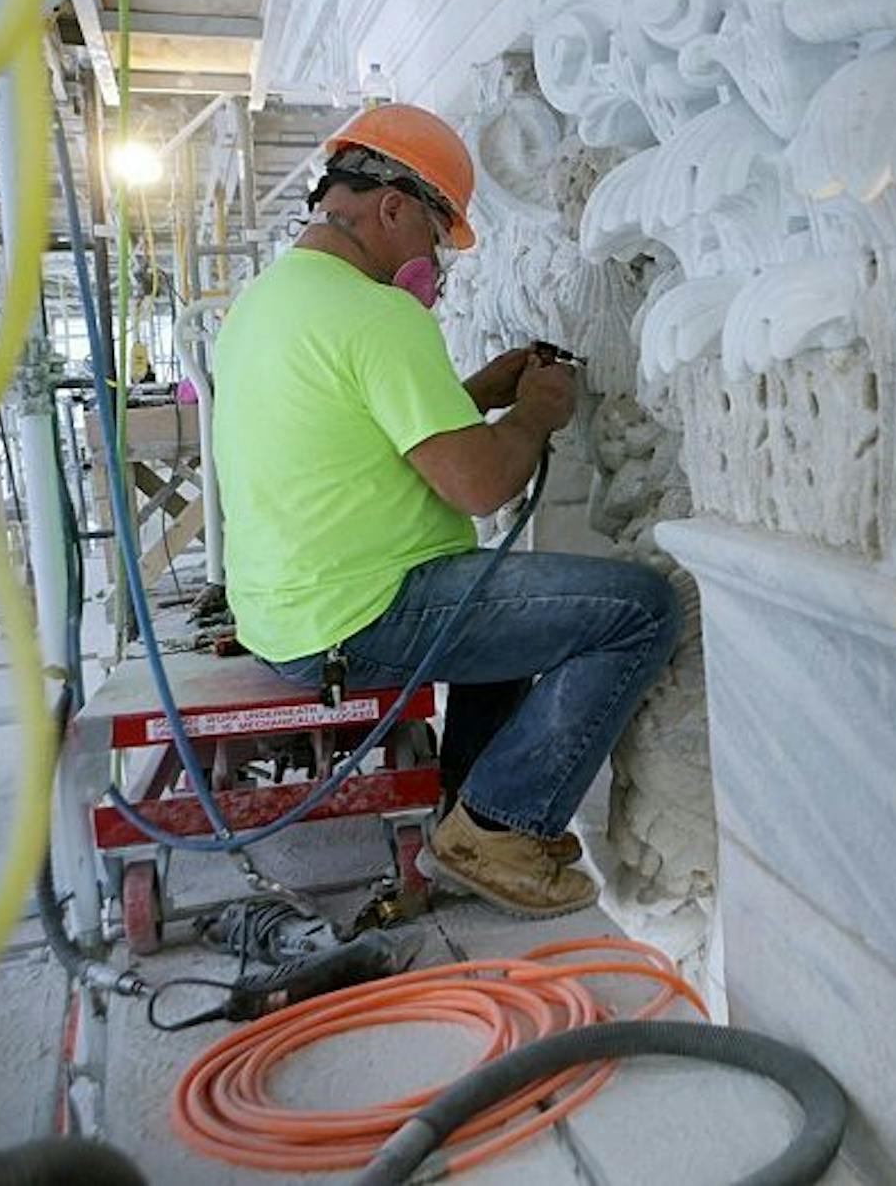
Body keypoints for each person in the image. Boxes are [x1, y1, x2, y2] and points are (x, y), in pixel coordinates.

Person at [212, 104, 680, 919]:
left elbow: (359, 435)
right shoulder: (377, 314)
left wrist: (478, 398)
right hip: (357, 619)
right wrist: (533, 413)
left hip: (289, 616)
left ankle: (468, 800)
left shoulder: (264, 303)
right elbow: (479, 487)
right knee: (639, 610)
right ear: (391, 207)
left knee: (504, 607)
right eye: (434, 234)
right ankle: (499, 824)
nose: (432, 261)